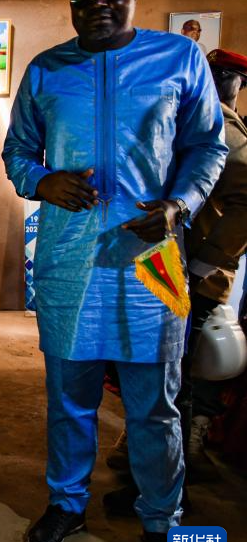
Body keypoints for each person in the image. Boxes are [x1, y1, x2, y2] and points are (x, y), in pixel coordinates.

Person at [2, 0, 227, 542]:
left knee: (155, 407)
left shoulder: (178, 59)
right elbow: (17, 151)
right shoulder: (47, 69)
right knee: (69, 400)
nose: (96, 6)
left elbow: (207, 145)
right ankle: (66, 504)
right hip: (70, 263)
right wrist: (42, 181)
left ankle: (163, 523)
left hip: (151, 263)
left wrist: (178, 205)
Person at [104, 47, 247, 506]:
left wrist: (205, 262)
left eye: (224, 75)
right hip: (168, 268)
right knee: (161, 377)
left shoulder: (220, 124)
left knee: (176, 383)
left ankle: (163, 491)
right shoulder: (191, 114)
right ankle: (152, 476)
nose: (216, 81)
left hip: (194, 274)